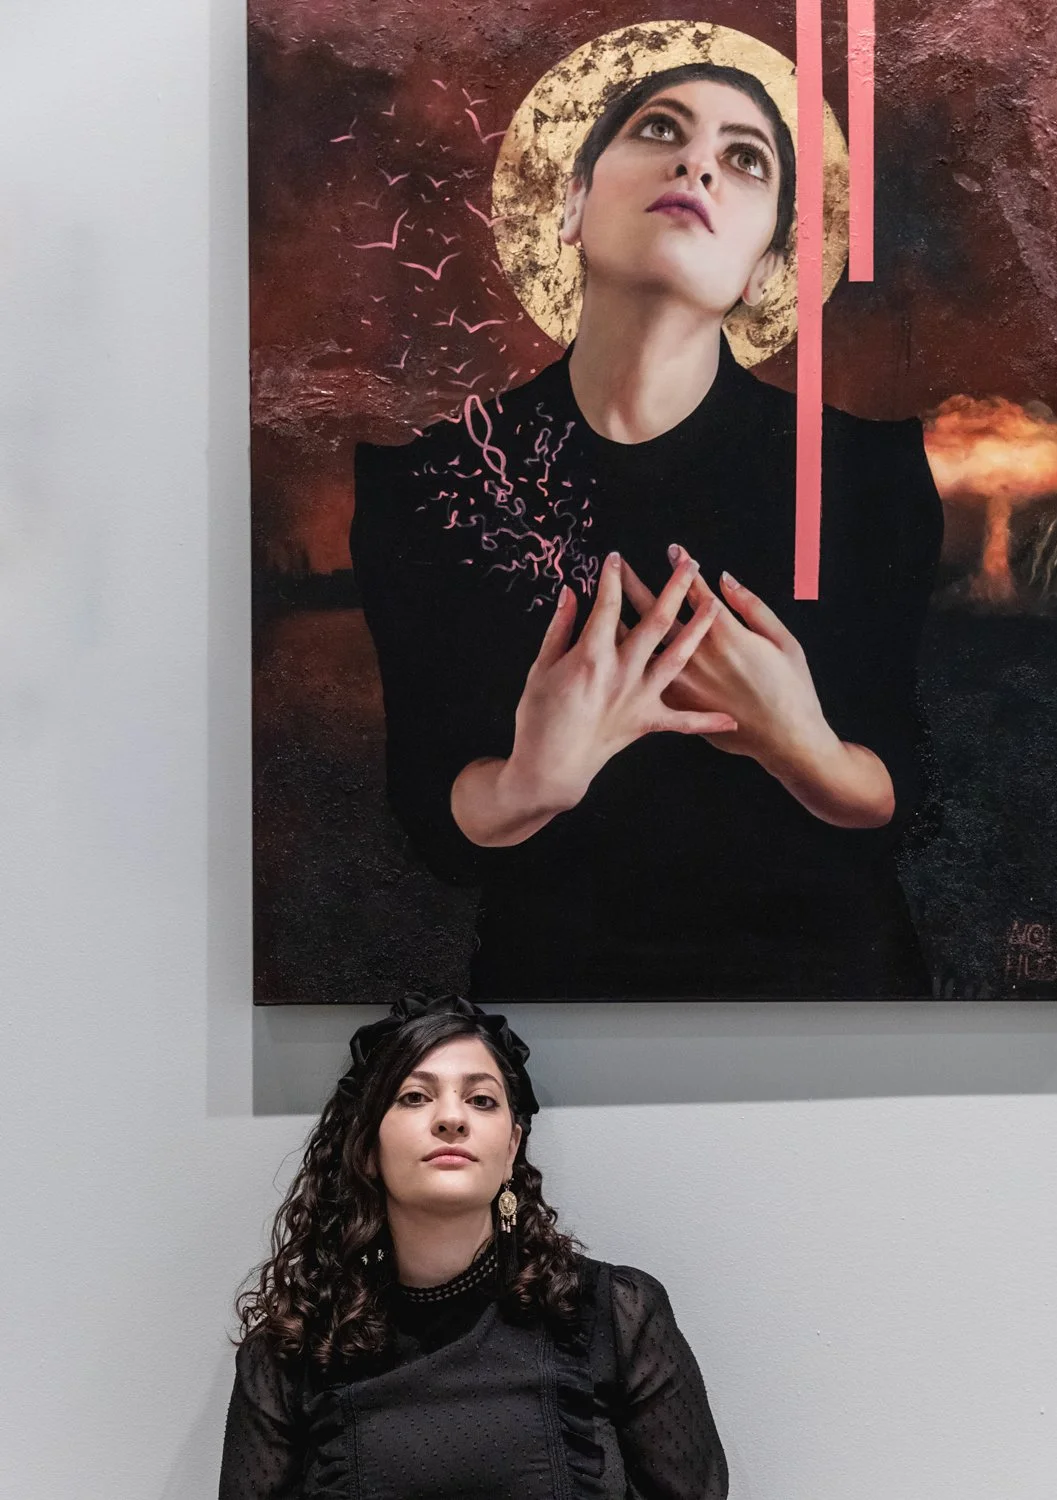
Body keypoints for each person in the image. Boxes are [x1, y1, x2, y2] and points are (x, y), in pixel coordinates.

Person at [352, 62, 947, 998]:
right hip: (552, 1012)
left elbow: (920, 802)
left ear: (763, 270)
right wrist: (530, 783)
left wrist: (801, 746)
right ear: (571, 205)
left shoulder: (870, 475)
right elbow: (431, 823)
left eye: (744, 159)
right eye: (661, 130)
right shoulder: (429, 481)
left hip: (833, 1006)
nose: (697, 164)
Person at [218, 993, 729, 1498]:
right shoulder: (292, 1349)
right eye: (414, 1097)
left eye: (481, 1100)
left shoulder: (616, 1315)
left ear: (511, 1150)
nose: (451, 1119)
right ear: (368, 1149)